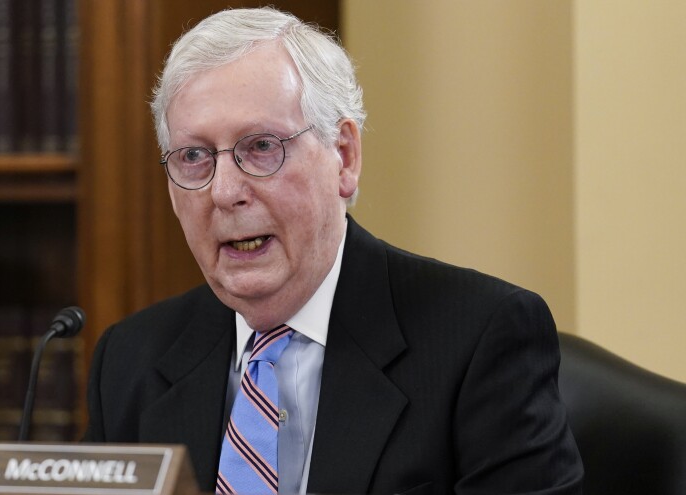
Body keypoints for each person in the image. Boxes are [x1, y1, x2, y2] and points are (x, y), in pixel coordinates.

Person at [83, 7, 583, 495]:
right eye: (193, 157)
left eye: (260, 147)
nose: (224, 191)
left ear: (343, 157)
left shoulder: (480, 339)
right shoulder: (130, 360)